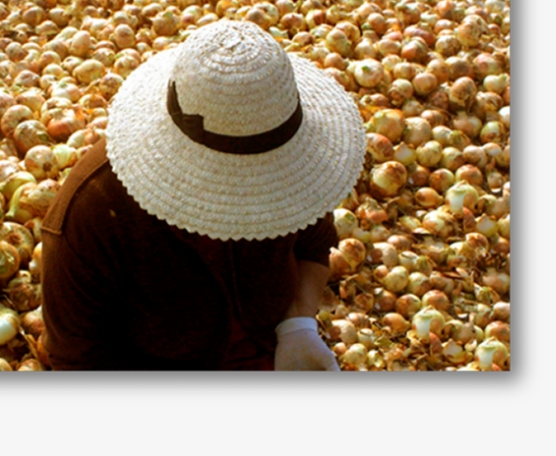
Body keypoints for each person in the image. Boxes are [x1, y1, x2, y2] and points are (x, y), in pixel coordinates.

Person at [40, 19, 366, 370]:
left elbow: (314, 245)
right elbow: (76, 361)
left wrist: (298, 326)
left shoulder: (301, 166)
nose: (253, 198)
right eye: (238, 178)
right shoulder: (91, 216)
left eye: (264, 177)